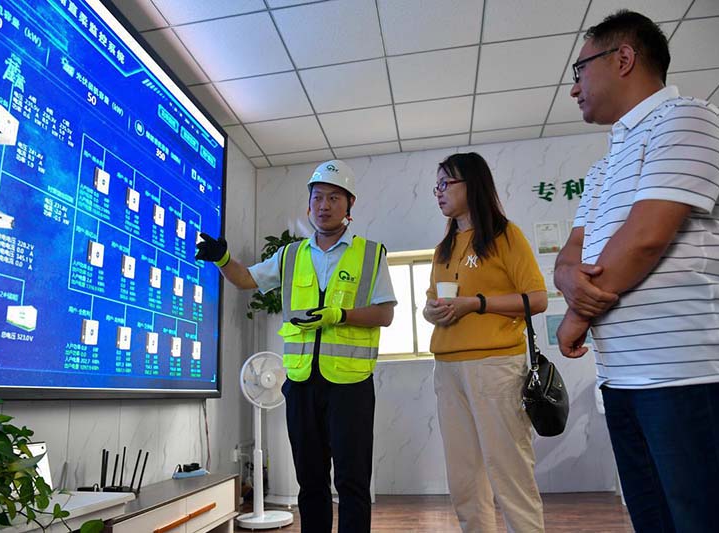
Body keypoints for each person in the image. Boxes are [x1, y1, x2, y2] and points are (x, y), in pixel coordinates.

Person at [554, 10, 719, 532]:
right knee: (653, 518)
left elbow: (644, 238)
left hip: (690, 375)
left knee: (705, 519)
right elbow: (570, 253)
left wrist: (573, 319)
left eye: (579, 70)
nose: (574, 89)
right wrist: (567, 280)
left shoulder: (689, 119)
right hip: (624, 380)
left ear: (624, 58)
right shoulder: (603, 166)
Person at [196, 159, 396, 533]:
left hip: (351, 385)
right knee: (310, 481)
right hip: (301, 383)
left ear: (349, 207)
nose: (324, 205)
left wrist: (339, 315)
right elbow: (245, 279)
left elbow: (385, 314)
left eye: (334, 198)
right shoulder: (290, 255)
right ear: (309, 205)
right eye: (318, 197)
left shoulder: (371, 254)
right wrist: (222, 259)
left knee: (352, 482)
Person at [423, 152, 547, 533]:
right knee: (463, 478)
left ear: (471, 184)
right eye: (437, 185)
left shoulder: (504, 235)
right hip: (447, 368)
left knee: (509, 471)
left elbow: (536, 299)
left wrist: (475, 305)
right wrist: (434, 312)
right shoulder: (445, 246)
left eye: (447, 184)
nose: (439, 192)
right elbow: (430, 304)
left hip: (496, 366)